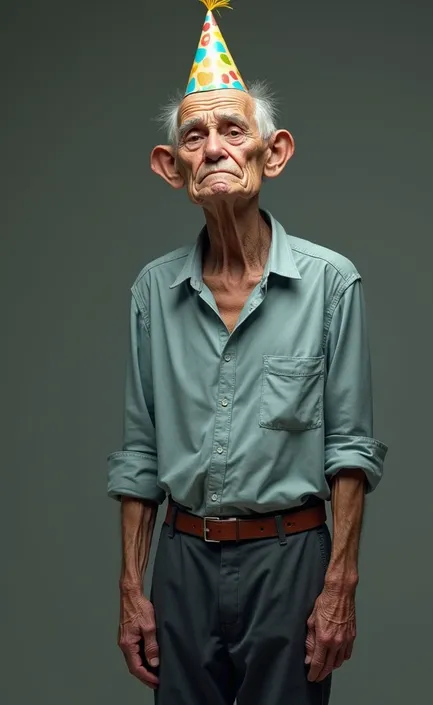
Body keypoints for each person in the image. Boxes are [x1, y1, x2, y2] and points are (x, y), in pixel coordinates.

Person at [106, 2, 389, 703]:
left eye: (233, 130)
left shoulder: (330, 282)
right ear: (172, 168)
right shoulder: (152, 290)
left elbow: (350, 447)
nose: (215, 149)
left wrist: (339, 584)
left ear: (275, 151)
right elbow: (140, 453)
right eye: (194, 137)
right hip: (182, 559)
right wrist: (131, 588)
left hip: (291, 558)